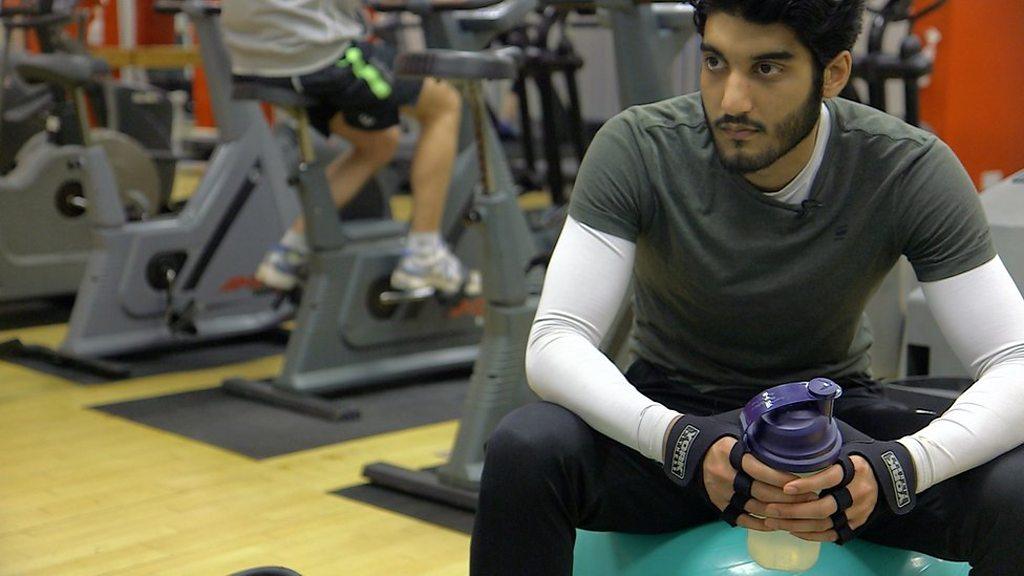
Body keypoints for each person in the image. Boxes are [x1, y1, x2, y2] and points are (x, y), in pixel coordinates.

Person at [470, 1, 1024, 574]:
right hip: (673, 415)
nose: (731, 100)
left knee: (1018, 486)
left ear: (833, 73)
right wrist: (680, 441)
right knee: (524, 449)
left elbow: (1016, 359)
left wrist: (901, 468)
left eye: (767, 69)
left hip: (832, 419)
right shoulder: (637, 147)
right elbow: (556, 338)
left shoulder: (906, 167)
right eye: (715, 62)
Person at [221, 0, 466, 294]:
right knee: (444, 103)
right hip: (315, 53)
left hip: (255, 57)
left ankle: (291, 250)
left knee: (380, 143)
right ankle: (425, 256)